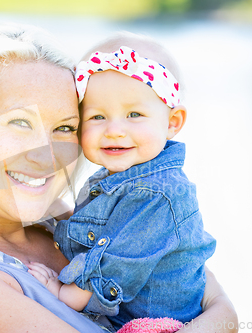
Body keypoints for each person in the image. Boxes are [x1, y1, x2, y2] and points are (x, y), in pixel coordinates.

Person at [0, 23, 238, 333]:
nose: (45, 154)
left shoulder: (59, 218)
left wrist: (224, 313)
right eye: (20, 122)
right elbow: (218, 308)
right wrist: (222, 316)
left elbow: (194, 278)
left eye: (65, 128)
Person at [27, 33, 217, 331]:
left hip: (158, 323)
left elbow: (118, 262)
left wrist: (63, 293)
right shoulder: (120, 177)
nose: (114, 130)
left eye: (134, 114)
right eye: (98, 116)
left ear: (172, 122)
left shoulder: (157, 192)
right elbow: (103, 231)